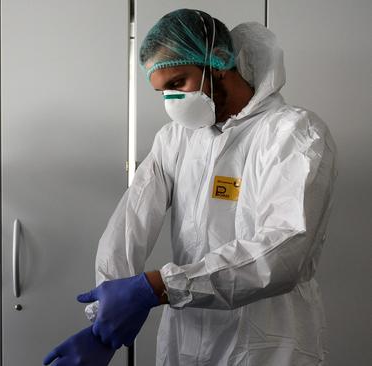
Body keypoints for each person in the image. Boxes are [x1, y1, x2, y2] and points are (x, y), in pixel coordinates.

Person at [45, 8, 336, 366]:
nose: (172, 103)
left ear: (218, 62)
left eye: (178, 83)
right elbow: (130, 223)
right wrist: (104, 326)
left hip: (269, 343)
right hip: (187, 340)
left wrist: (157, 286)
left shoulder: (294, 133)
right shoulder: (176, 139)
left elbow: (283, 251)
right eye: (162, 92)